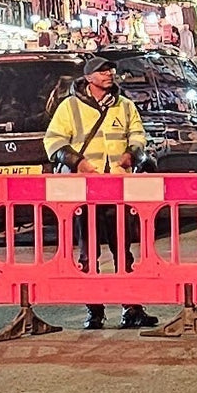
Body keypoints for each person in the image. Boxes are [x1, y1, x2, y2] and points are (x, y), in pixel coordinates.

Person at [43, 56, 158, 331]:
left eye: (110, 69)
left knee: (124, 251)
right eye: (102, 70)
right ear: (89, 77)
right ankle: (94, 311)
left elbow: (139, 136)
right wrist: (79, 163)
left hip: (119, 188)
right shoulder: (70, 107)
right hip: (85, 189)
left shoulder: (125, 106)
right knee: (88, 253)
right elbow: (54, 141)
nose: (109, 73)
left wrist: (132, 154)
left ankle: (132, 308)